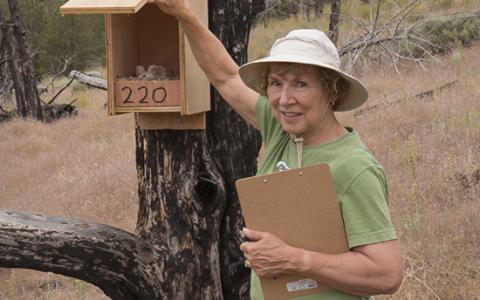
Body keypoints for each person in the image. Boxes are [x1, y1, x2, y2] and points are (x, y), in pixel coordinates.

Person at [149, 0, 404, 299]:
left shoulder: (353, 166)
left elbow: (387, 274)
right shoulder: (281, 129)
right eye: (275, 83)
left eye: (300, 84)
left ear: (332, 90)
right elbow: (226, 76)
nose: (284, 99)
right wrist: (183, 13)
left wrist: (293, 259)